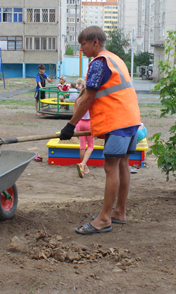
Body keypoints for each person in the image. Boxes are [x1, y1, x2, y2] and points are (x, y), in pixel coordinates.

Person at [59, 26, 141, 235]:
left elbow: (88, 97)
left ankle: (104, 219)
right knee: (122, 164)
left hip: (118, 121)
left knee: (110, 167)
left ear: (95, 42)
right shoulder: (116, 59)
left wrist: (70, 125)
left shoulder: (99, 63)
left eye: (83, 45)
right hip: (131, 119)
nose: (81, 50)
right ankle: (119, 212)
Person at [74, 87, 94, 178]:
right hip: (89, 123)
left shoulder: (77, 100)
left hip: (80, 122)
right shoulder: (91, 100)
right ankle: (83, 164)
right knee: (90, 146)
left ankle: (84, 167)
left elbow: (75, 113)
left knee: (82, 146)